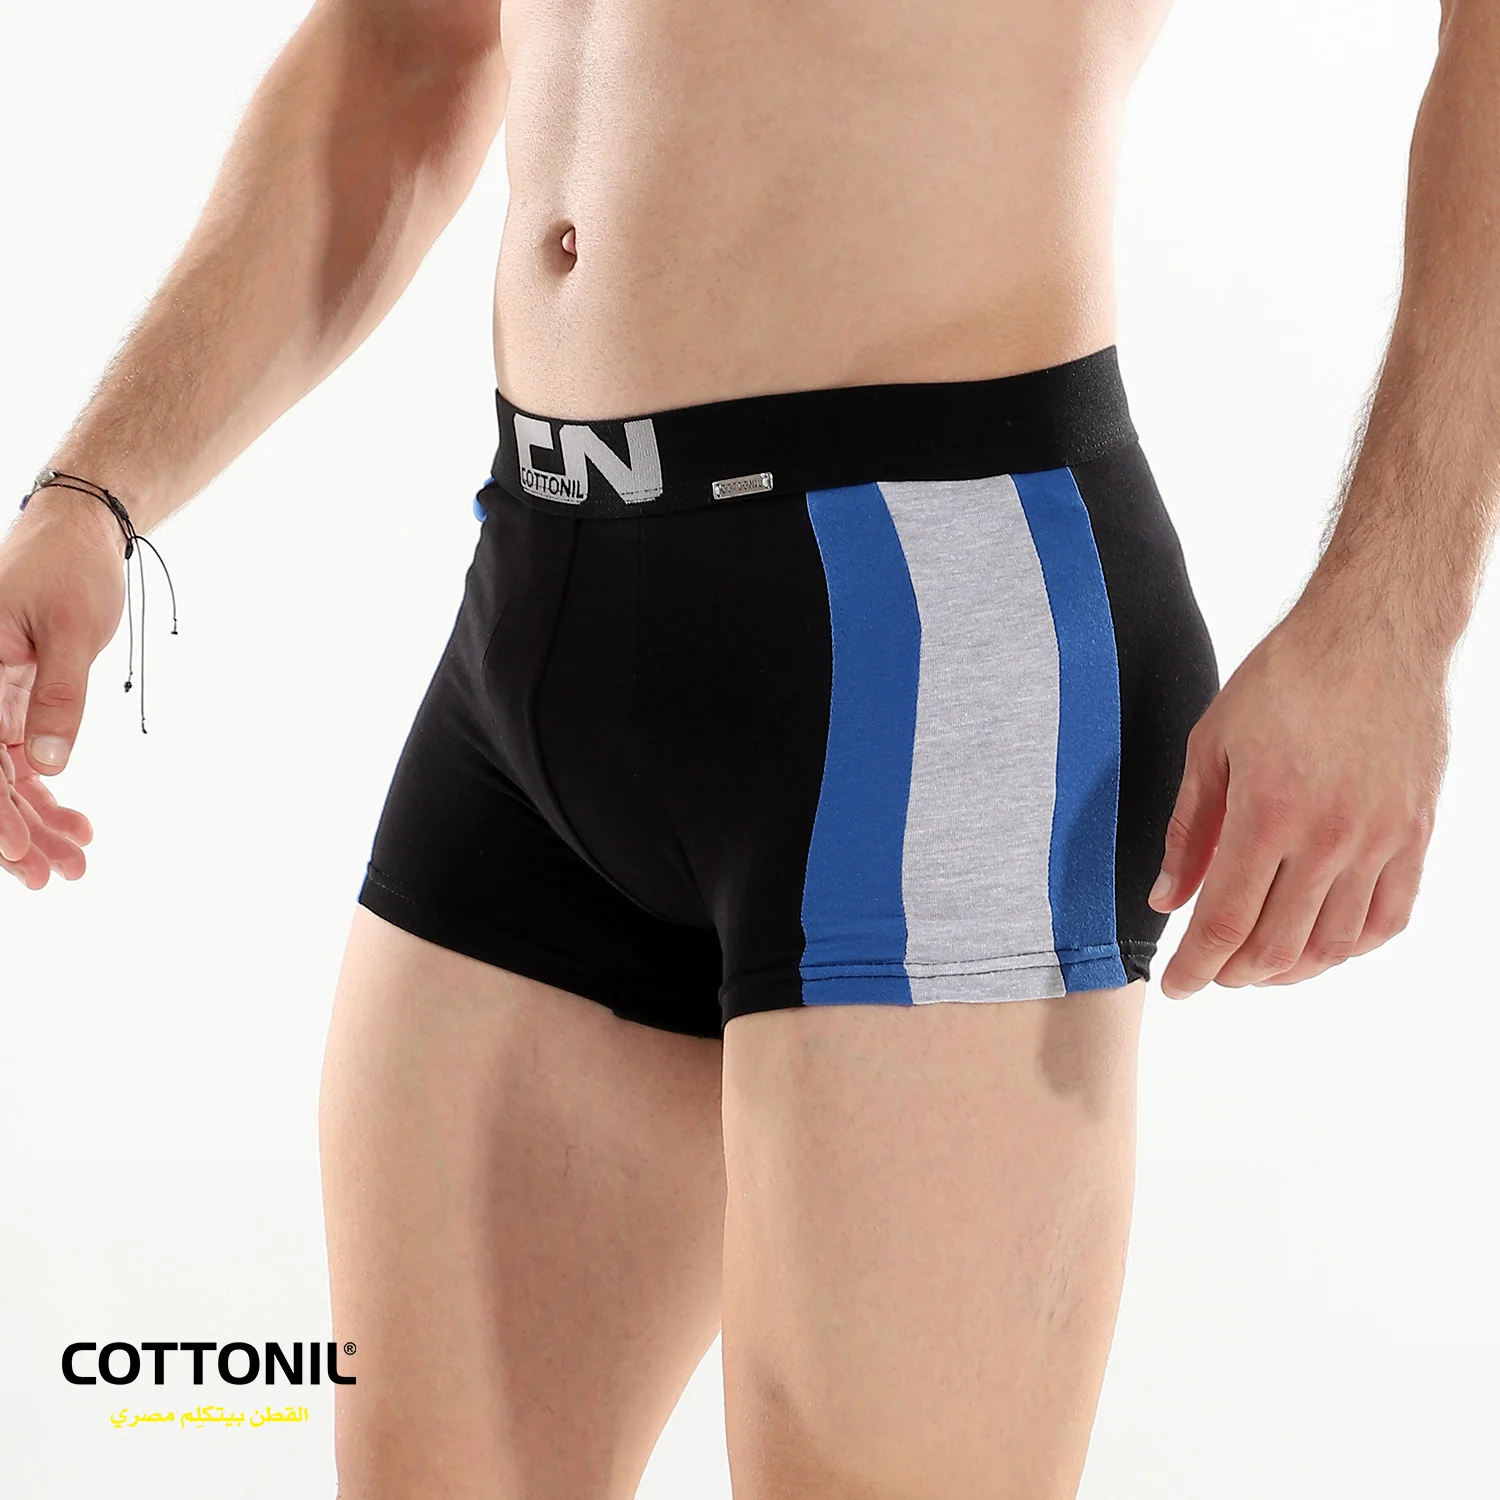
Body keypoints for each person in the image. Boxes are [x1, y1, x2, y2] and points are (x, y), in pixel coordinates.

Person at [2, 0, 1494, 1494]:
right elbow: (407, 46)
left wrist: (1389, 620)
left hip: (931, 632)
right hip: (543, 612)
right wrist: (93, 496)